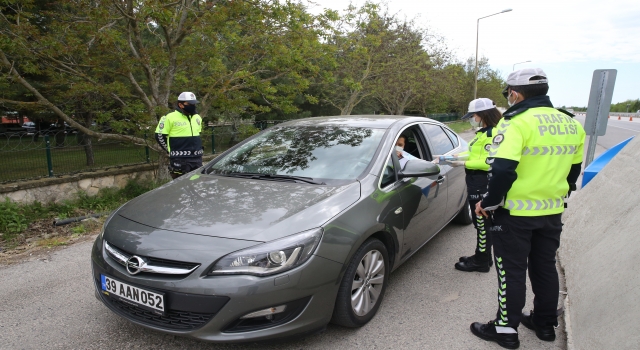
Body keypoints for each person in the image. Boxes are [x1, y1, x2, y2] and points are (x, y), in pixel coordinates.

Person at [469, 68, 585, 349]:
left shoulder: (515, 123)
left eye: (508, 93)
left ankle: (506, 330)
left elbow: (503, 171)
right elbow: (573, 171)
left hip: (515, 215)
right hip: (551, 212)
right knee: (544, 268)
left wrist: (487, 203)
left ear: (514, 94)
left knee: (512, 270)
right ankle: (545, 324)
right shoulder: (571, 124)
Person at [448, 98, 503, 273]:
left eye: (473, 115)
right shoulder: (483, 133)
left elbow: (489, 162)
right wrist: (457, 157)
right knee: (483, 222)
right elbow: (473, 153)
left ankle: (481, 261)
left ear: (482, 114)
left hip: (481, 181)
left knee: (482, 222)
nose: (472, 119)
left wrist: (465, 164)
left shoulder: (492, 134)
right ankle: (484, 257)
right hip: (475, 181)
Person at [155, 92, 204, 179]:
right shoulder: (169, 117)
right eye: (190, 104)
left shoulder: (197, 118)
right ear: (180, 105)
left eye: (194, 104)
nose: (193, 106)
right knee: (181, 186)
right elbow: (159, 136)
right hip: (180, 159)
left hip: (197, 159)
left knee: (197, 184)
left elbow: (197, 135)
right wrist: (170, 150)